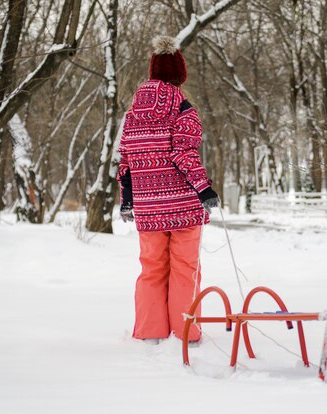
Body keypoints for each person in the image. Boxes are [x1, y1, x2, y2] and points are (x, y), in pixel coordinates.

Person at [117, 36, 219, 343]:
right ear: (179, 74)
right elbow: (183, 152)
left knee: (152, 269)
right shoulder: (183, 108)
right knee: (184, 270)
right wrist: (204, 190)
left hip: (149, 207)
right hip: (184, 206)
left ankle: (150, 333)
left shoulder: (133, 113)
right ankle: (185, 334)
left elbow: (126, 160)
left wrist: (128, 200)